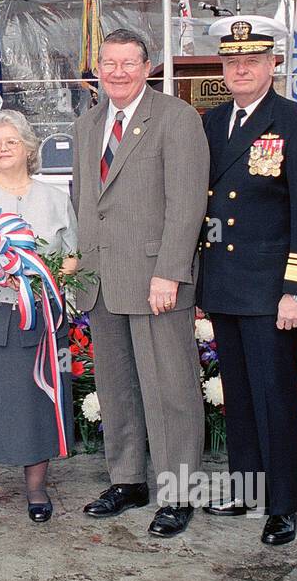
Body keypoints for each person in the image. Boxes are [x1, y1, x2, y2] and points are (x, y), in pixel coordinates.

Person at [71, 27, 210, 537]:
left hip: (156, 281)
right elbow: (86, 201)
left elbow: (188, 204)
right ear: (98, 68)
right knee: (117, 389)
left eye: (129, 62)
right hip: (101, 282)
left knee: (169, 390)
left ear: (148, 67)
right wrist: (79, 267)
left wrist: (169, 272)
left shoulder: (176, 118)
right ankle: (128, 479)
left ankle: (180, 493)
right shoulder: (87, 125)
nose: (118, 72)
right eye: (109, 62)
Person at [197, 16, 297, 545]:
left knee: (275, 395)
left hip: (272, 289)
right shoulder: (210, 123)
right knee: (240, 395)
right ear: (222, 68)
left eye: (252, 60)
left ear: (274, 64)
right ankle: (245, 488)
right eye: (231, 62)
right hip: (225, 284)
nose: (241, 69)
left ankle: (282, 505)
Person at [0, 110, 78, 523]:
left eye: (11, 142)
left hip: (36, 318)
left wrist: (46, 274)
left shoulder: (56, 198)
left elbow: (74, 254)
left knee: (35, 401)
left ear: (29, 148)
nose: (3, 149)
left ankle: (36, 489)